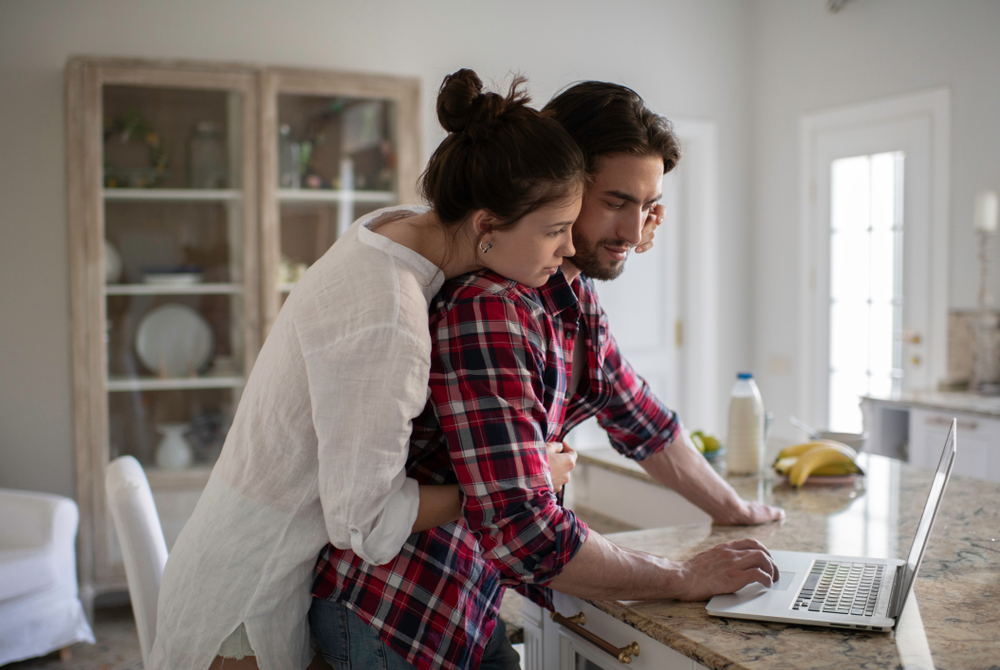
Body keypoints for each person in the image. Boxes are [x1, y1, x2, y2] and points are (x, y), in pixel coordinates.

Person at [309, 81, 783, 670]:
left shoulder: (570, 293)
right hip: (397, 612)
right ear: (564, 184)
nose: (634, 232)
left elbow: (641, 418)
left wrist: (736, 509)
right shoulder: (492, 307)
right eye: (615, 201)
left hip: (463, 600)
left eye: (648, 207)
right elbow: (523, 530)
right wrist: (683, 576)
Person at [148, 69, 591, 670]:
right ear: (486, 225)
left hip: (239, 548)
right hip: (249, 594)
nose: (568, 249)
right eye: (555, 231)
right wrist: (513, 479)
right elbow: (364, 522)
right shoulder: (390, 313)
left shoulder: (394, 226)